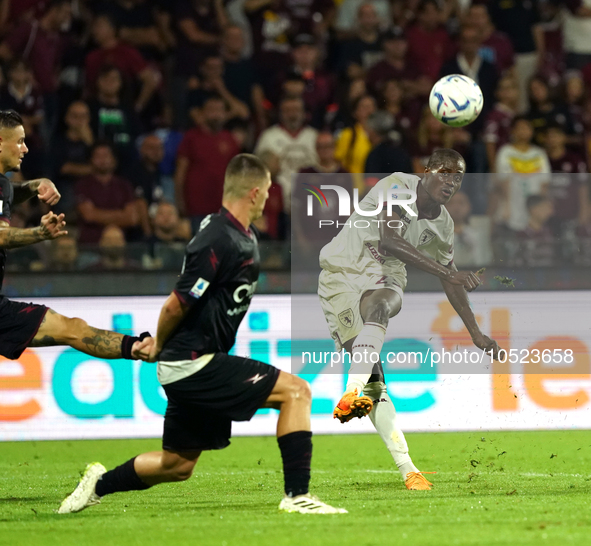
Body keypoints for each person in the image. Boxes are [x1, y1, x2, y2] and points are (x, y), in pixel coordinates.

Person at [57, 153, 347, 515]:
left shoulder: (233, 231)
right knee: (297, 392)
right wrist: (159, 345)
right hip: (192, 361)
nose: (271, 198)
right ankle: (297, 496)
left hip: (193, 359)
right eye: (270, 190)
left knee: (176, 465)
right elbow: (176, 303)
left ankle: (97, 484)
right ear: (255, 193)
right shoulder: (219, 238)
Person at [317, 149, 502, 490]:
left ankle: (406, 467)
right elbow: (390, 240)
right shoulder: (398, 185)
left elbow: (450, 278)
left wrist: (475, 332)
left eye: (458, 177)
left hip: (386, 276)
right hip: (341, 273)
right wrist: (448, 271)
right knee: (376, 383)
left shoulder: (443, 224)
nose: (451, 182)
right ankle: (363, 389)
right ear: (427, 170)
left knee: (381, 306)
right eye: (445, 173)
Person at [0, 109, 150, 362]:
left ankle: (137, 347)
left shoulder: (3, 186)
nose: (25, 149)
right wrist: (40, 233)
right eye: (19, 141)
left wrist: (37, 184)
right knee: (70, 329)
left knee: (70, 328)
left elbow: (10, 194)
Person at [75, 142, 139, 244]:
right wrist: (119, 214)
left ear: (114, 160)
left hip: (118, 246)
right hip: (90, 246)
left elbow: (131, 218)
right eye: (98, 156)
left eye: (106, 156)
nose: (102, 160)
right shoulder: (83, 185)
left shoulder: (124, 185)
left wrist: (98, 214)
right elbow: (89, 215)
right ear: (91, 160)